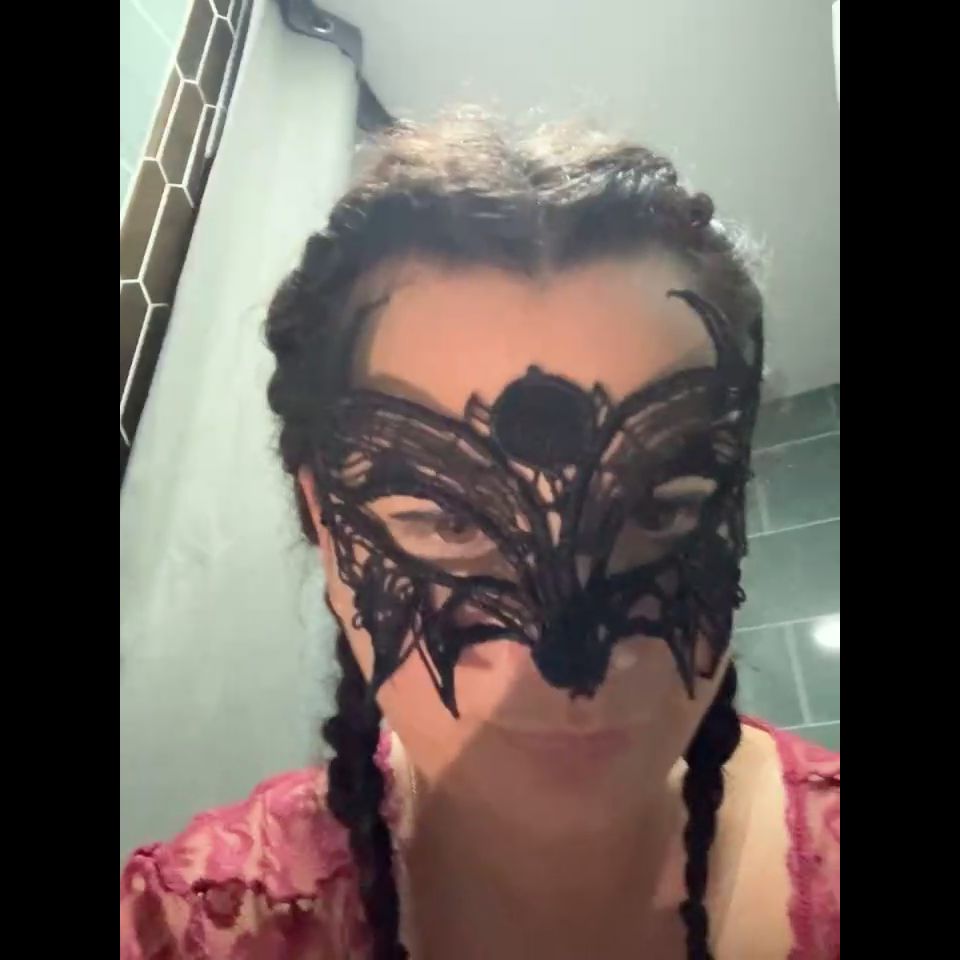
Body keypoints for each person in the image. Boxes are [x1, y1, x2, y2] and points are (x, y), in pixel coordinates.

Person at [120, 112, 839, 960]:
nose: (563, 656)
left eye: (655, 512)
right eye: (451, 520)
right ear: (323, 523)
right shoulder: (196, 931)